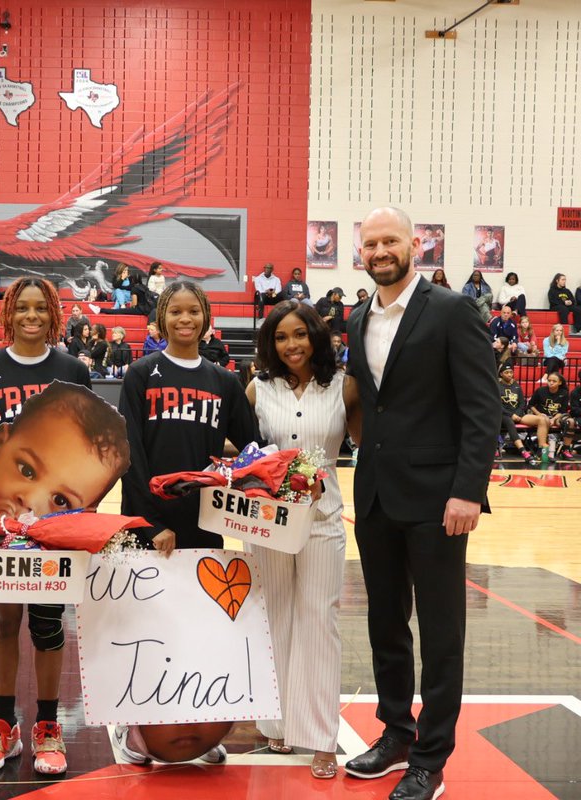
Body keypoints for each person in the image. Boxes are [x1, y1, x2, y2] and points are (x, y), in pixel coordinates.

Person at [345, 207, 500, 800]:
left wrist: (468, 490)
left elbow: (482, 409)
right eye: (370, 244)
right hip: (375, 495)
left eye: (390, 241)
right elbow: (370, 408)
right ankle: (397, 734)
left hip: (439, 500)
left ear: (415, 245)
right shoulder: (357, 317)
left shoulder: (453, 310)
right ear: (361, 252)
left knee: (440, 633)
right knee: (386, 624)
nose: (380, 251)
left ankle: (430, 759)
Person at [115, 280, 259, 766]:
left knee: (199, 629)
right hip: (148, 523)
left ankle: (198, 728)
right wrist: (149, 523)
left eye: (192, 311)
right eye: (175, 311)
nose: (184, 319)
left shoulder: (224, 381)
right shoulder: (141, 374)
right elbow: (129, 452)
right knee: (145, 629)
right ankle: (136, 728)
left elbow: (252, 448)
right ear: (161, 319)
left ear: (206, 318)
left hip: (203, 521)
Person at [0, 277, 91, 776]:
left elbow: (84, 455)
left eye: (40, 308)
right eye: (22, 308)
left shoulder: (72, 371)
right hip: (2, 524)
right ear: (8, 313)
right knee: (4, 621)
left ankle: (48, 726)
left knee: (49, 623)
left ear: (53, 314)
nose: (31, 316)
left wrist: (74, 516)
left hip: (53, 523)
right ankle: (2, 726)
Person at [247, 301, 361, 779]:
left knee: (319, 622)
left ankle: (319, 736)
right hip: (268, 521)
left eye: (299, 334)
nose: (291, 345)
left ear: (316, 336)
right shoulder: (257, 388)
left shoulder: (344, 386)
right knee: (273, 616)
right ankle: (275, 722)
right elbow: (240, 448)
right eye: (280, 337)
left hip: (323, 518)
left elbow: (367, 439)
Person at [497, 363, 543, 465]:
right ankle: (523, 451)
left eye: (511, 372)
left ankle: (541, 450)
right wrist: (511, 415)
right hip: (503, 415)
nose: (509, 374)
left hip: (517, 415)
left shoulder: (516, 386)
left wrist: (517, 414)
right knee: (509, 422)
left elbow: (522, 403)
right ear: (501, 374)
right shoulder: (497, 386)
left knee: (541, 420)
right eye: (506, 372)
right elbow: (497, 405)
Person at [528, 372, 572, 462]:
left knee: (570, 422)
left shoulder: (564, 393)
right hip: (542, 416)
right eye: (549, 380)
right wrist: (538, 414)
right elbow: (531, 405)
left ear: (560, 382)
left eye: (554, 381)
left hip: (557, 417)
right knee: (544, 420)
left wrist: (553, 419)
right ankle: (543, 451)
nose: (551, 383)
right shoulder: (540, 390)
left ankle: (565, 450)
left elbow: (562, 411)